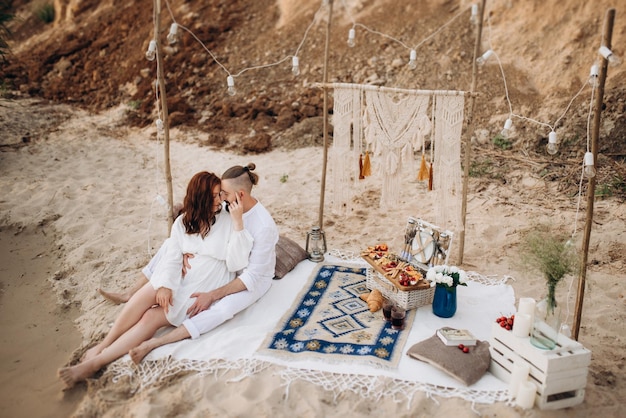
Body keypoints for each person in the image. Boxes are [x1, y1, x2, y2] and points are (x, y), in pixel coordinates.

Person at [58, 171, 253, 387]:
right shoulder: (182, 223)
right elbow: (171, 256)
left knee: (149, 319)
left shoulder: (228, 220)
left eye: (220, 195)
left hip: (205, 284)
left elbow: (236, 263)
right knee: (150, 290)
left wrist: (238, 225)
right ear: (201, 198)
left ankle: (95, 363)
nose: (220, 201)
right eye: (215, 196)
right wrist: (165, 286)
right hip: (182, 277)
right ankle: (102, 345)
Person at [128, 163, 279, 363]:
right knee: (170, 246)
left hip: (252, 279)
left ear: (240, 195)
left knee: (223, 309)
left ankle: (156, 343)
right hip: (229, 264)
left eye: (223, 194)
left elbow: (251, 275)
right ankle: (133, 292)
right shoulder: (227, 206)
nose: (220, 199)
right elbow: (202, 220)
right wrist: (186, 251)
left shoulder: (263, 226)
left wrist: (212, 295)